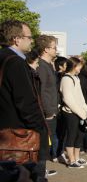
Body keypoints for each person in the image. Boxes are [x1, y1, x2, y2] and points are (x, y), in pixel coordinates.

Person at [0, 20, 51, 182]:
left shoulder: (3, 57)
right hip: (17, 130)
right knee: (17, 173)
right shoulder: (15, 63)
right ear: (16, 39)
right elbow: (26, 102)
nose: (31, 41)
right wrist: (39, 127)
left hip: (4, 126)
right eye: (29, 37)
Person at [60, 57, 87, 168]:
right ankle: (71, 160)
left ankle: (77, 157)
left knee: (79, 135)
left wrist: (84, 110)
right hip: (70, 113)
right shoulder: (66, 79)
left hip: (80, 112)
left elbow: (80, 96)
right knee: (71, 136)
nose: (81, 68)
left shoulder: (75, 78)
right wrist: (80, 113)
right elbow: (68, 99)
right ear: (74, 66)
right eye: (79, 66)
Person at [35, 35, 59, 165]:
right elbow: (42, 91)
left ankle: (42, 172)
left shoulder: (48, 65)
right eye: (54, 47)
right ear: (45, 49)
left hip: (52, 111)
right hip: (47, 114)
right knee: (44, 144)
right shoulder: (42, 66)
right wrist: (48, 111)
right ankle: (40, 177)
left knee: (47, 144)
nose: (56, 50)